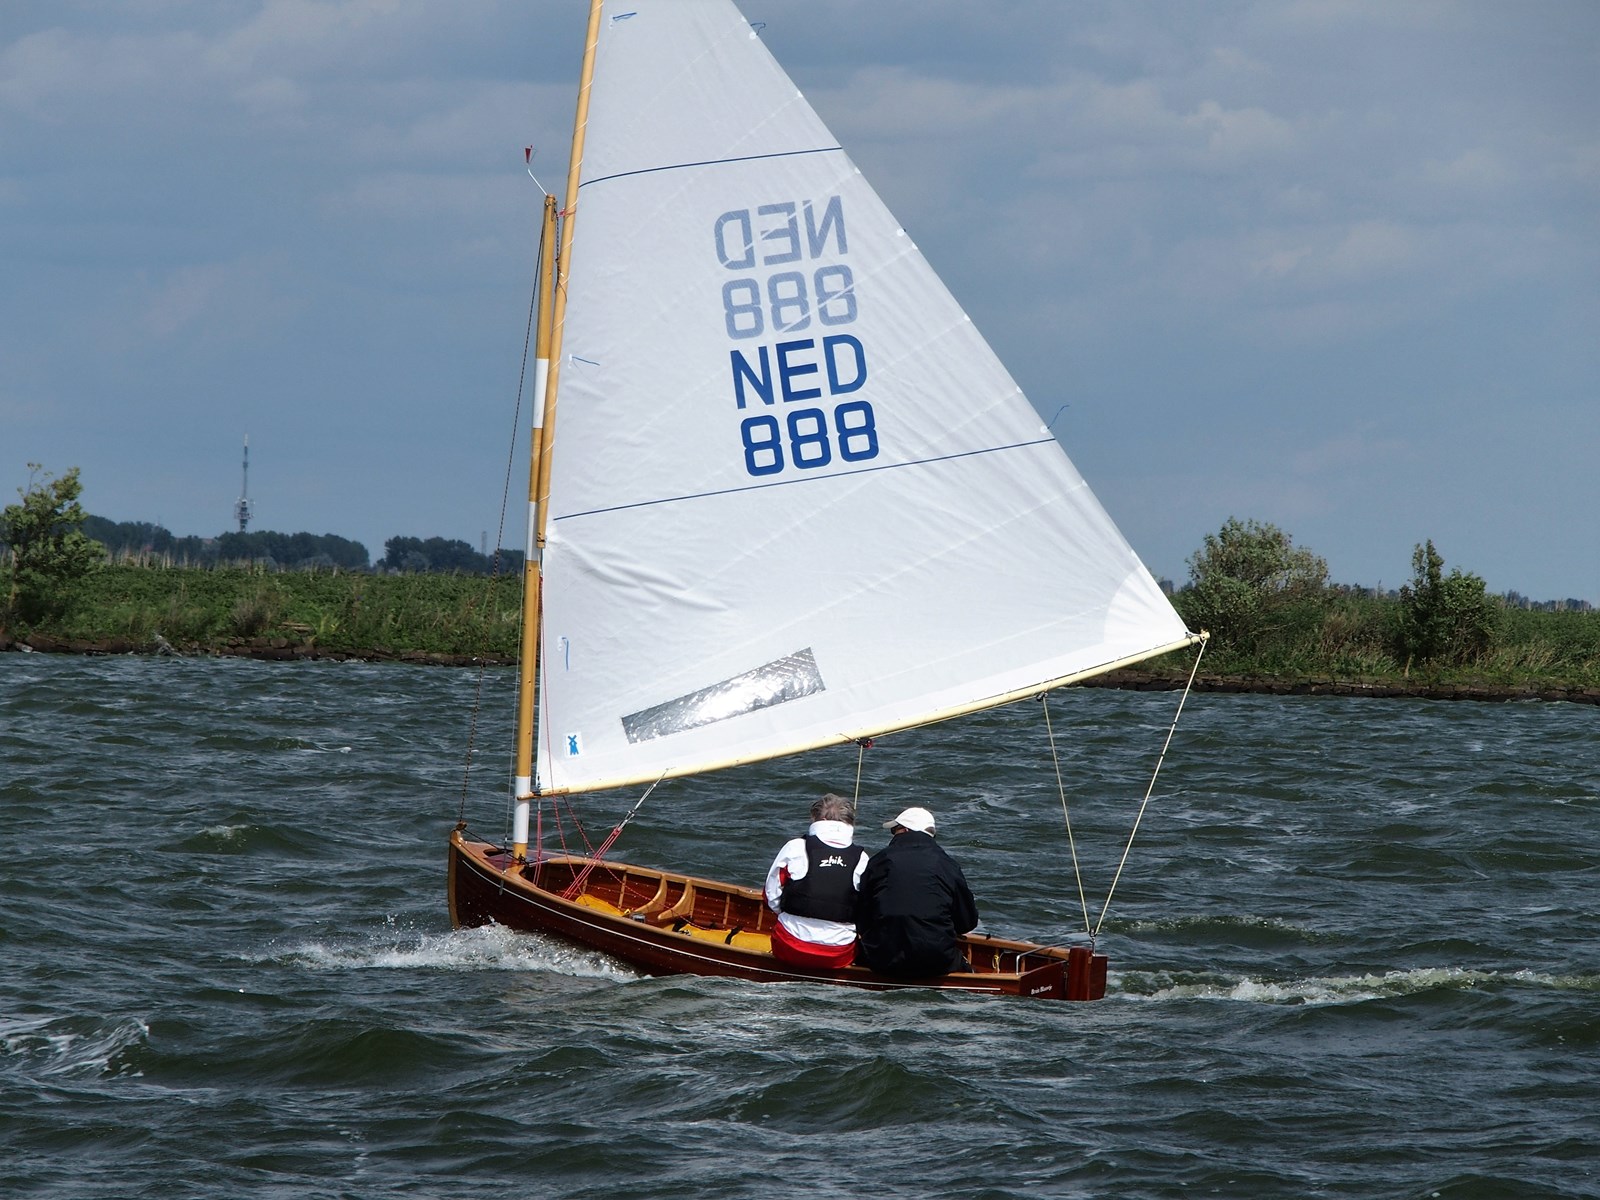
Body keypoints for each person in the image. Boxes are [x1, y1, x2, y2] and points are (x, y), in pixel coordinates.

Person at [855, 806, 979, 977]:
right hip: (937, 959)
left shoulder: (879, 861)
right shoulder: (948, 865)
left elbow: (862, 919)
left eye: (894, 830)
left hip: (883, 958)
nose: (893, 835)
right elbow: (967, 923)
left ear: (905, 830)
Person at [764, 793, 868, 968]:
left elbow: (771, 896)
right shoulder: (862, 858)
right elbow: (866, 907)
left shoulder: (795, 847)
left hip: (790, 948)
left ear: (817, 818)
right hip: (839, 955)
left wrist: (787, 915)